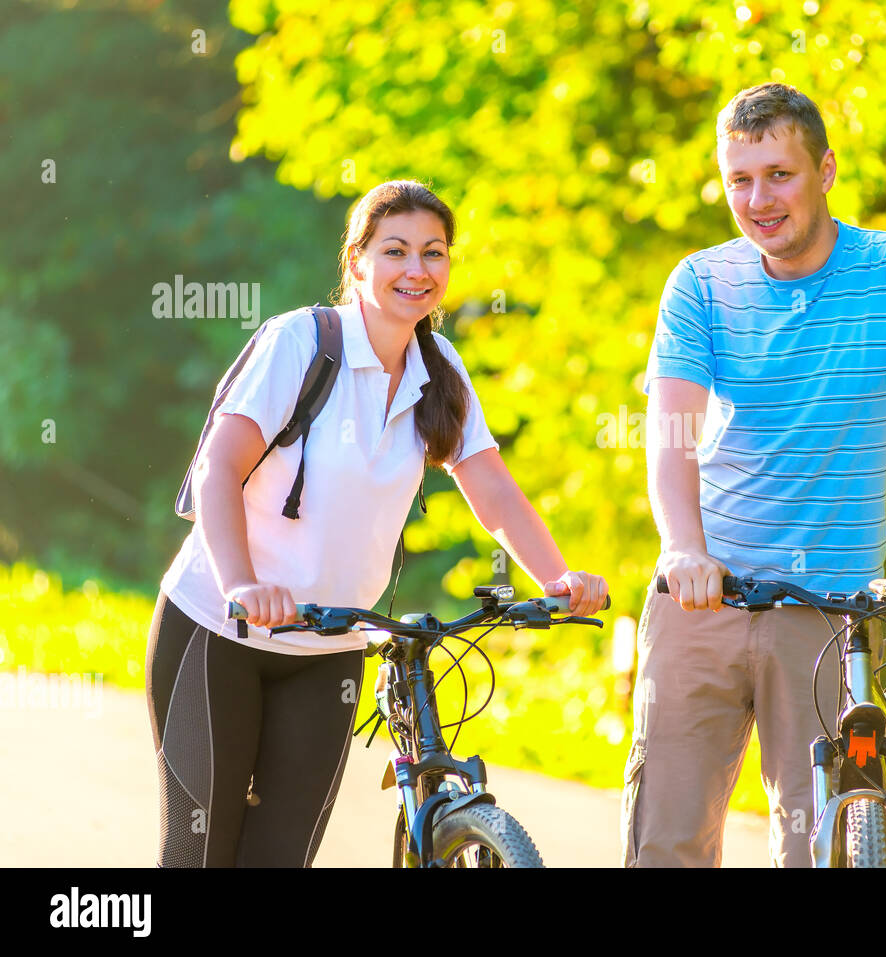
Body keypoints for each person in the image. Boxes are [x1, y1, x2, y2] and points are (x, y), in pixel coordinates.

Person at [623, 84, 886, 867]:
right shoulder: (700, 282)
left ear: (825, 170)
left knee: (820, 843)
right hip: (706, 594)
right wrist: (682, 545)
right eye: (739, 180)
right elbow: (673, 430)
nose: (758, 200)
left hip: (829, 609)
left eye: (779, 174)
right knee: (668, 843)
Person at [148, 179, 608, 867]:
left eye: (434, 253)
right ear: (357, 261)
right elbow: (218, 468)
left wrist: (558, 577)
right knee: (199, 854)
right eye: (396, 251)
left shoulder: (440, 370)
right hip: (219, 633)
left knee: (280, 858)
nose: (417, 270)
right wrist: (243, 583)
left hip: (329, 648)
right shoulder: (300, 344)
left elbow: (494, 492)